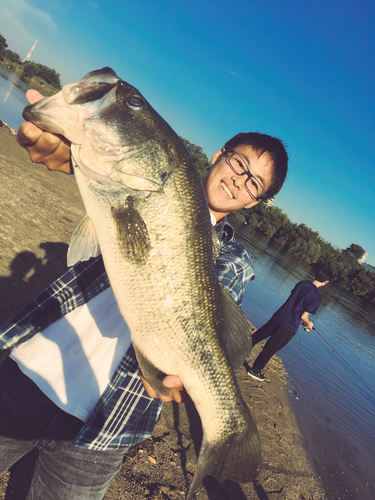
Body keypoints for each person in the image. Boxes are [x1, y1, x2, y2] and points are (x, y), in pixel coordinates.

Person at [0, 89, 288, 499]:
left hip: (106, 429)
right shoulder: (141, 179)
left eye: (253, 182)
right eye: (238, 162)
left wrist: (181, 373)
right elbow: (114, 185)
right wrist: (74, 158)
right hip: (27, 373)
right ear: (219, 154)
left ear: (257, 201)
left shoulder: (236, 262)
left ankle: (227, 430)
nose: (238, 179)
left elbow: (208, 328)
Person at [244, 268, 332, 381]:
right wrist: (309, 323)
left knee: (258, 335)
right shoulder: (316, 298)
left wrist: (301, 318)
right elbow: (304, 316)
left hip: (279, 316)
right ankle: (255, 370)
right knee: (270, 348)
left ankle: (238, 350)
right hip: (288, 327)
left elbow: (295, 301)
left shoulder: (302, 283)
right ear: (326, 282)